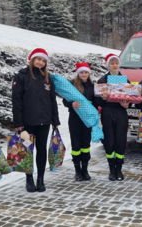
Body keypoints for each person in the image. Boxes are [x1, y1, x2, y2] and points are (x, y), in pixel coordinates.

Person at [12, 48, 60, 192]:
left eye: (43, 60)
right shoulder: (22, 76)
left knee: (41, 150)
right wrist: (18, 122)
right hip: (27, 124)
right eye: (38, 59)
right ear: (32, 59)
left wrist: (55, 120)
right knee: (26, 150)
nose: (40, 62)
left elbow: (52, 100)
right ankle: (29, 179)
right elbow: (16, 100)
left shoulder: (48, 78)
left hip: (44, 122)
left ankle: (40, 179)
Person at [95, 53, 130, 181]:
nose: (115, 66)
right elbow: (97, 101)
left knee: (120, 140)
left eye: (116, 63)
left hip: (121, 112)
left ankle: (119, 170)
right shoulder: (102, 80)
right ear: (108, 65)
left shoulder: (125, 80)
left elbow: (131, 96)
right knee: (109, 141)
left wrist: (127, 104)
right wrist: (103, 99)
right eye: (112, 63)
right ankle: (111, 170)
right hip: (107, 112)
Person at [62, 62, 94, 181]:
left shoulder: (92, 86)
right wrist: (71, 104)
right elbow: (65, 101)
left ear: (89, 73)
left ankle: (85, 170)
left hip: (87, 120)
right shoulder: (72, 85)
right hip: (75, 119)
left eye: (86, 72)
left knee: (86, 145)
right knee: (76, 145)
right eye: (81, 72)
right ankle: (77, 171)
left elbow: (96, 102)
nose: (84, 74)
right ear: (78, 73)